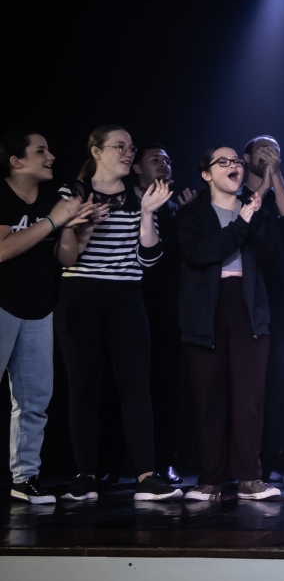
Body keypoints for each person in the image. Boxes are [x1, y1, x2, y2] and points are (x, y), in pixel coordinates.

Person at [54, 125, 181, 502]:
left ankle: (146, 476)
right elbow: (65, 258)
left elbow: (150, 259)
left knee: (136, 386)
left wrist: (147, 213)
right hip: (80, 294)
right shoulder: (74, 193)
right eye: (119, 147)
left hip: (125, 295)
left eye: (130, 148)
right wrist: (82, 225)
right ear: (96, 152)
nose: (128, 153)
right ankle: (85, 476)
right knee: (83, 386)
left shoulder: (141, 195)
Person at [177, 146, 280, 501]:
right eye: (223, 162)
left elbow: (272, 256)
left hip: (247, 306)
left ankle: (250, 477)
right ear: (206, 174)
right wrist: (242, 223)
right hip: (206, 309)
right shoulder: (192, 213)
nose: (233, 165)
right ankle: (210, 479)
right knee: (209, 397)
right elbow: (200, 253)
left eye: (237, 161)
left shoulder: (254, 208)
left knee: (249, 398)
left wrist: (254, 216)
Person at [0, 130, 93, 503]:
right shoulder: (3, 195)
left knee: (34, 400)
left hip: (39, 310)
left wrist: (73, 226)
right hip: (3, 306)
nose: (51, 156)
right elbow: (2, 249)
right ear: (16, 161)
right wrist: (54, 221)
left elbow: (66, 258)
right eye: (40, 151)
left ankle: (25, 478)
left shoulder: (53, 200)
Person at [131, 143, 195, 483]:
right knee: (124, 385)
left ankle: (165, 459)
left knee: (166, 386)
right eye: (155, 159)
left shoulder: (177, 208)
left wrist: (187, 215)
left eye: (168, 160)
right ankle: (112, 462)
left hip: (167, 308)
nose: (163, 164)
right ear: (137, 167)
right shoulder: (125, 202)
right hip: (128, 302)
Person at [242, 135, 284, 483]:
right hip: (243, 299)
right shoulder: (235, 195)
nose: (269, 155)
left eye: (275, 151)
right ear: (246, 156)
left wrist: (275, 176)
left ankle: (269, 458)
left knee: (276, 383)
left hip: (278, 301)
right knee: (245, 384)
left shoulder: (282, 196)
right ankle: (241, 459)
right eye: (262, 150)